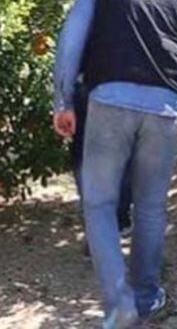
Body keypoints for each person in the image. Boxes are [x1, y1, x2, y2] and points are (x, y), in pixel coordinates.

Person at [52, 0, 177, 329]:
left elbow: (70, 39)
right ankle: (146, 297)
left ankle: (119, 305)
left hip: (108, 101)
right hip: (163, 108)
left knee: (99, 205)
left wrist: (63, 101)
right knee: (150, 206)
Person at [69, 78, 134, 240]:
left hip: (87, 82)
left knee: (84, 152)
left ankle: (97, 219)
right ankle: (119, 217)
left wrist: (62, 99)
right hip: (122, 83)